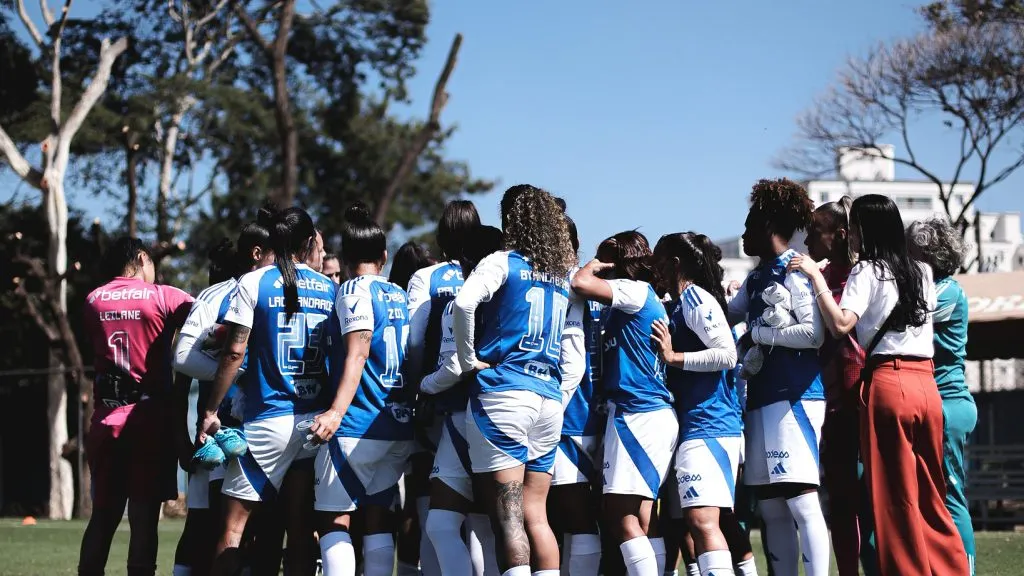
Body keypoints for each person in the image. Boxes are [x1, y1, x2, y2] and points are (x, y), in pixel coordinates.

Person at [789, 194, 969, 576]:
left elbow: (840, 324)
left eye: (853, 228)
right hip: (927, 386)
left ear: (862, 230)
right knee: (932, 494)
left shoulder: (866, 271)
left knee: (894, 497)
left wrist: (816, 277)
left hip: (889, 383)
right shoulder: (921, 269)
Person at [198, 207, 336, 576]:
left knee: (232, 530)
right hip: (313, 424)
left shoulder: (255, 282)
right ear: (310, 242)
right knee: (301, 531)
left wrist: (211, 409)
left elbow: (233, 351)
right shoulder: (330, 287)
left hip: (266, 421)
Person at [454, 185, 576, 576]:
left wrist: (468, 358)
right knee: (537, 517)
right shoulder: (557, 276)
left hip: (506, 394)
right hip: (549, 399)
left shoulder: (503, 261)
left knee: (508, 519)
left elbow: (464, 302)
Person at [727, 178, 828, 576]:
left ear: (768, 227)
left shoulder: (796, 271)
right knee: (770, 505)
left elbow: (813, 334)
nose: (743, 234)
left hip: (795, 398)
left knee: (802, 501)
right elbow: (727, 314)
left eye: (749, 227)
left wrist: (760, 334)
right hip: (761, 398)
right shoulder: (755, 278)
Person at [307, 204, 415, 576]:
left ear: (348, 258)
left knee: (333, 520)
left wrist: (335, 412)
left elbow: (359, 350)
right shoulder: (399, 294)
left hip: (358, 424)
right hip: (397, 424)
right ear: (384, 256)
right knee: (378, 520)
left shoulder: (352, 289)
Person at [78, 237, 194, 576]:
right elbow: (208, 322)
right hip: (149, 421)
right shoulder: (163, 295)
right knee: (144, 520)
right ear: (142, 258)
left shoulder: (93, 300)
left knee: (102, 516)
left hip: (106, 419)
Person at [172, 210, 278, 576]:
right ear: (256, 253)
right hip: (223, 435)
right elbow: (183, 356)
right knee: (214, 531)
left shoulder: (282, 291)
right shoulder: (218, 295)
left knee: (256, 534)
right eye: (274, 254)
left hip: (267, 432)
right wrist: (240, 375)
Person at [571, 231, 678, 576]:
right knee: (645, 517)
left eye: (606, 263)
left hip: (638, 412)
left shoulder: (634, 291)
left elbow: (580, 283)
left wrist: (591, 267)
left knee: (619, 514)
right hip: (647, 412)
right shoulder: (639, 300)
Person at [649, 232, 745, 576]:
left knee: (703, 520)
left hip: (712, 424)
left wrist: (673, 357)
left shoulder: (696, 299)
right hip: (695, 424)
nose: (653, 268)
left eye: (658, 261)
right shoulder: (678, 301)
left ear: (675, 264)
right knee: (694, 520)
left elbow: (726, 354)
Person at [423, 224, 505, 576]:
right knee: (481, 526)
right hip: (485, 417)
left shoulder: (468, 301)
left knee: (450, 526)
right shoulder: (509, 295)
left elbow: (455, 364)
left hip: (475, 415)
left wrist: (424, 387)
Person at [801, 197, 877, 576]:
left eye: (815, 231)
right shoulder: (821, 273)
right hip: (829, 400)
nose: (807, 241)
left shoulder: (866, 275)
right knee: (842, 501)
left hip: (865, 395)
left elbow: (841, 327)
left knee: (877, 500)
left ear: (841, 234)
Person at [406, 199, 482, 576]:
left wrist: (418, 389)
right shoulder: (493, 272)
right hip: (490, 400)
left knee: (438, 512)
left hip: (443, 401)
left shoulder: (428, 277)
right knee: (483, 519)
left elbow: (416, 342)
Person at [907, 217, 976, 575]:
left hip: (949, 402)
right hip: (932, 401)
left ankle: (965, 568)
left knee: (951, 495)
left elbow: (909, 318)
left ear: (929, 254)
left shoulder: (948, 290)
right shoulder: (935, 287)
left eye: (911, 251)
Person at [550, 214, 605, 576]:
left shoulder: (563, 286)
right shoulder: (599, 286)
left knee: (572, 513)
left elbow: (573, 362)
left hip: (569, 414)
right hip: (599, 412)